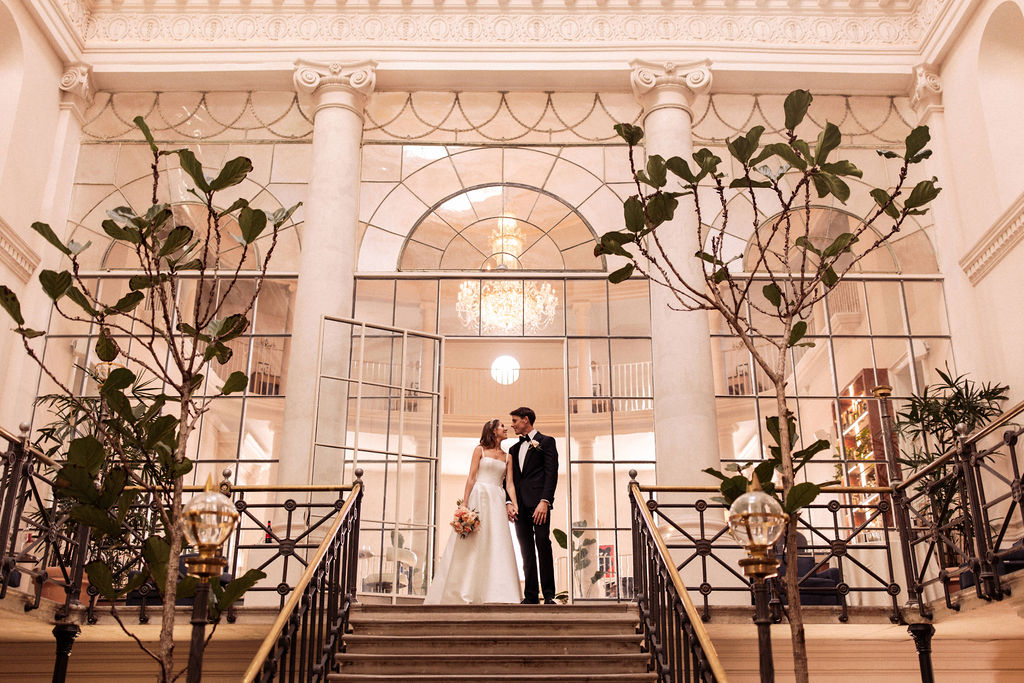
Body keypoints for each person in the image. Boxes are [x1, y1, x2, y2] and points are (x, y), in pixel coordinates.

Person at [424, 419, 523, 604]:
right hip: (479, 495)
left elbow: (509, 483)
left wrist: (514, 504)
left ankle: (498, 592)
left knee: (496, 539)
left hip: (497, 497)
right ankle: (464, 590)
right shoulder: (480, 450)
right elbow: (471, 477)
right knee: (474, 540)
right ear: (493, 431)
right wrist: (465, 503)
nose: (506, 428)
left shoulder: (508, 456)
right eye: (502, 426)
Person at [508, 406, 559, 604]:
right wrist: (509, 502)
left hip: (539, 505)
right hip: (519, 507)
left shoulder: (547, 442)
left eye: (514, 421)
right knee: (525, 549)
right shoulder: (513, 449)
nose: (512, 425)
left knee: (543, 544)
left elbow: (551, 473)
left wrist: (545, 501)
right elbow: (509, 480)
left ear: (526, 420)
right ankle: (530, 596)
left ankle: (549, 595)